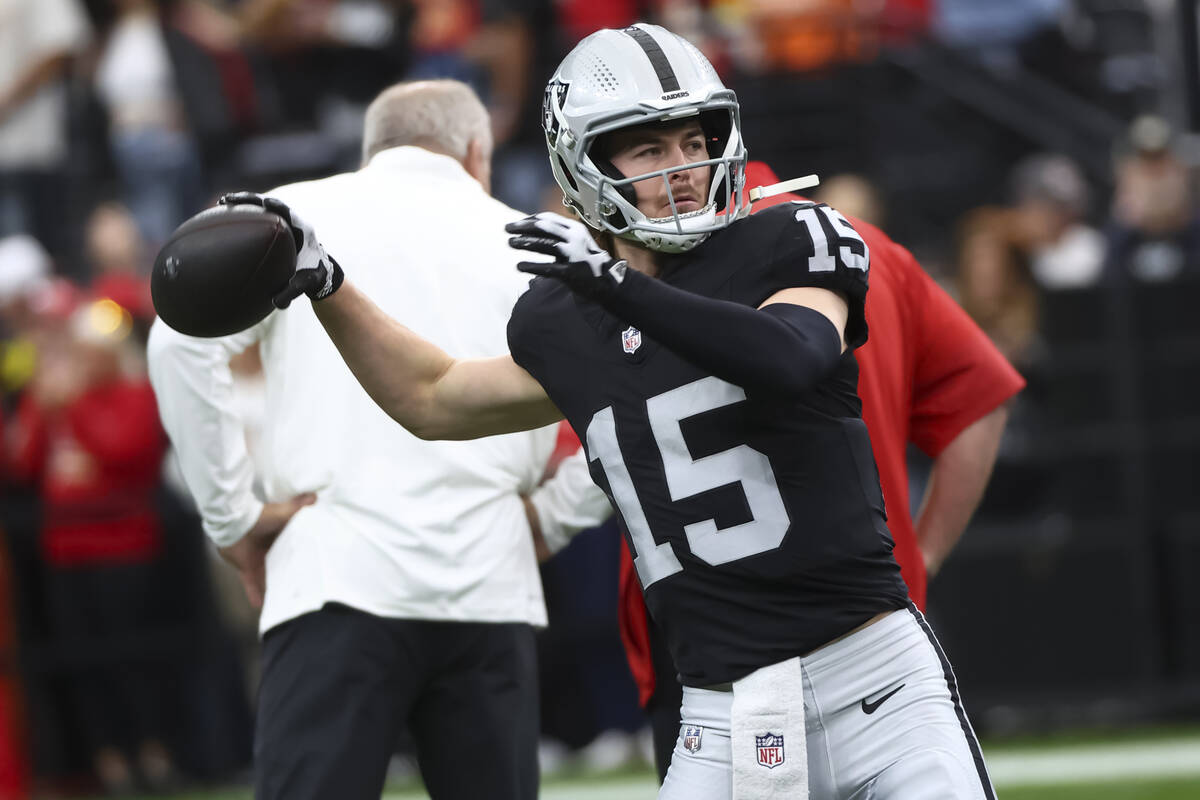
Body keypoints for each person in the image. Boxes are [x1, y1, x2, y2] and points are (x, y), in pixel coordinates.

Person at [222, 23, 998, 799]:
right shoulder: (565, 317)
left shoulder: (791, 237)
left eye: (695, 139)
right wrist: (329, 284)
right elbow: (433, 397)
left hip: (874, 681)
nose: (684, 167)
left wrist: (617, 286)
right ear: (583, 164)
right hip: (720, 709)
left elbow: (789, 356)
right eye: (649, 149)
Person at [526, 160, 1026, 779]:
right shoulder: (862, 245)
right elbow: (981, 401)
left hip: (718, 647)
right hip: (868, 612)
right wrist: (923, 554)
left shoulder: (659, 278)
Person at [146, 80, 558, 800]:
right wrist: (559, 515)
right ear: (476, 152)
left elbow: (178, 343)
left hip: (336, 570)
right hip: (491, 578)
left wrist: (233, 520)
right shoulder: (533, 240)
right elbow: (628, 389)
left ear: (374, 151)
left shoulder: (299, 215)